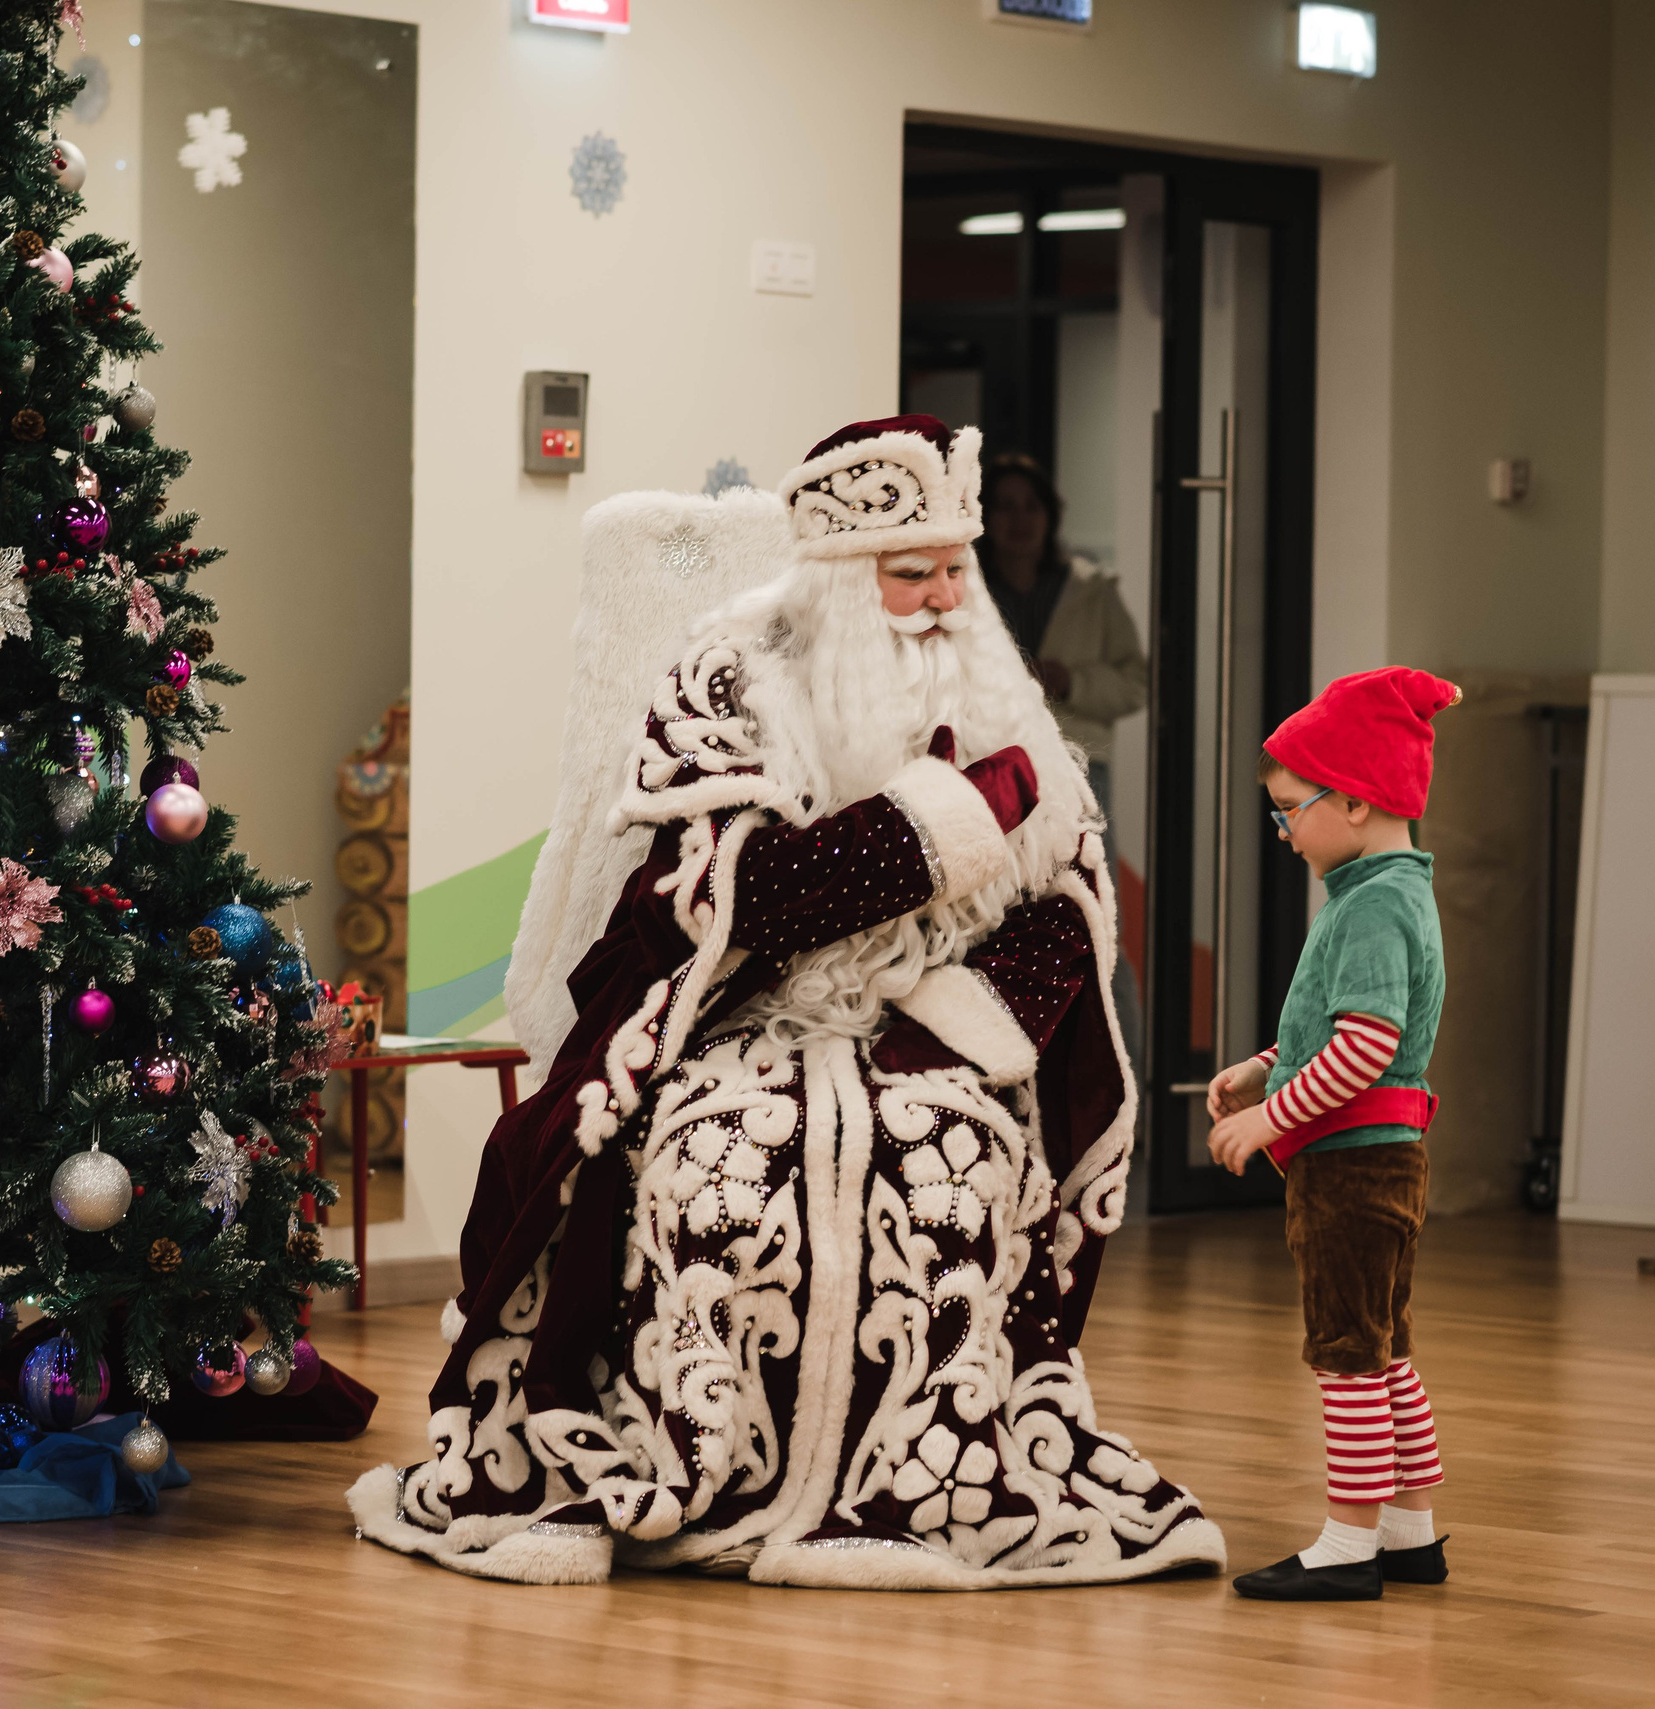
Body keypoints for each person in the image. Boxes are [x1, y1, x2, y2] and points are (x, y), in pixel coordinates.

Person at [350, 416, 1226, 1589]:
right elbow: (735, 894)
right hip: (737, 1015)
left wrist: (959, 1023)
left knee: (945, 1169)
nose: (940, 599)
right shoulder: (726, 684)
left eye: (954, 569)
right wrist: (936, 823)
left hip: (940, 1026)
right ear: (836, 578)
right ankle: (694, 1454)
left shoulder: (1013, 709)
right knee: (721, 1169)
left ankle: (914, 1485)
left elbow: (1068, 908)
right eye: (908, 574)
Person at [1201, 667, 1459, 1602]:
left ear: (1352, 800)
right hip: (1380, 1158)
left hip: (1352, 1169)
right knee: (1385, 1347)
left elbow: (1367, 1045)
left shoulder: (1374, 903)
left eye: (1289, 809)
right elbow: (1342, 1029)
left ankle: (1349, 1545)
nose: (1283, 830)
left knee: (1345, 1352)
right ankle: (1411, 1532)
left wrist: (1275, 1113)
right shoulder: (1383, 889)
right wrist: (1266, 1064)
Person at [977, 455, 1148, 1062]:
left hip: (1080, 771)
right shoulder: (964, 584)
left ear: (1051, 516)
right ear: (985, 515)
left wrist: (1069, 679)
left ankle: (1128, 1099)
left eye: (1032, 506)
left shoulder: (1091, 591)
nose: (1019, 520)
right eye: (1006, 506)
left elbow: (1136, 682)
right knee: (997, 925)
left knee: (1100, 928)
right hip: (990, 771)